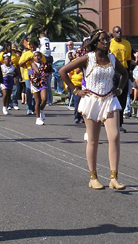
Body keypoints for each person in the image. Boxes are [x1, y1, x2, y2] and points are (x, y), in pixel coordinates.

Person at [59, 29, 129, 190]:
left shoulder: (112, 58)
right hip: (91, 100)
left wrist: (119, 89)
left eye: (107, 40)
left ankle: (114, 177)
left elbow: (124, 74)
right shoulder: (87, 58)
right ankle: (93, 177)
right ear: (95, 42)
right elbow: (63, 71)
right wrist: (75, 90)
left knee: (115, 136)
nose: (106, 42)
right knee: (93, 140)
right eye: (102, 40)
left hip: (109, 100)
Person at [109, 26, 132, 128]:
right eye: (117, 32)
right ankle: (111, 121)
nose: (119, 34)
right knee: (113, 96)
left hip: (124, 71)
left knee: (122, 97)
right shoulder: (110, 43)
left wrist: (129, 73)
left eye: (120, 32)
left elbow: (128, 60)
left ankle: (120, 123)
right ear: (113, 33)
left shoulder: (126, 44)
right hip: (113, 72)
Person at [29, 51, 50, 125]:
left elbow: (50, 71)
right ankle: (38, 118)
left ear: (41, 57)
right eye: (35, 56)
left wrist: (48, 70)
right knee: (37, 101)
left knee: (44, 99)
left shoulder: (44, 64)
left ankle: (41, 110)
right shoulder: (33, 64)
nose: (37, 57)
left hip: (42, 83)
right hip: (35, 84)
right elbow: (37, 71)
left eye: (38, 56)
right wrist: (42, 71)